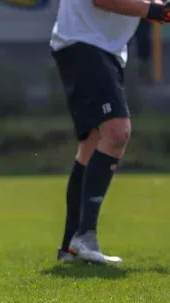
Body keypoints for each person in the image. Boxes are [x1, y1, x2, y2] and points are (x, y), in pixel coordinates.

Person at [50, 0, 170, 264]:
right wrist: (154, 10)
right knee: (117, 131)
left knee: (93, 142)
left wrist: (159, 7)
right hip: (84, 42)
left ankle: (71, 246)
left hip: (100, 47)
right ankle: (84, 235)